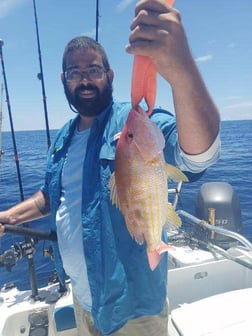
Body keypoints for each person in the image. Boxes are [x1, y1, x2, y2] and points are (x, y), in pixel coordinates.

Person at [0, 1, 220, 335]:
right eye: (75, 73)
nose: (84, 80)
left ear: (110, 75)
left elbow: (197, 156)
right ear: (64, 80)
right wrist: (9, 218)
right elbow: (52, 196)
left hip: (133, 309)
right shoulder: (62, 138)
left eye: (93, 71)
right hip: (83, 301)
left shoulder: (134, 119)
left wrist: (181, 71)